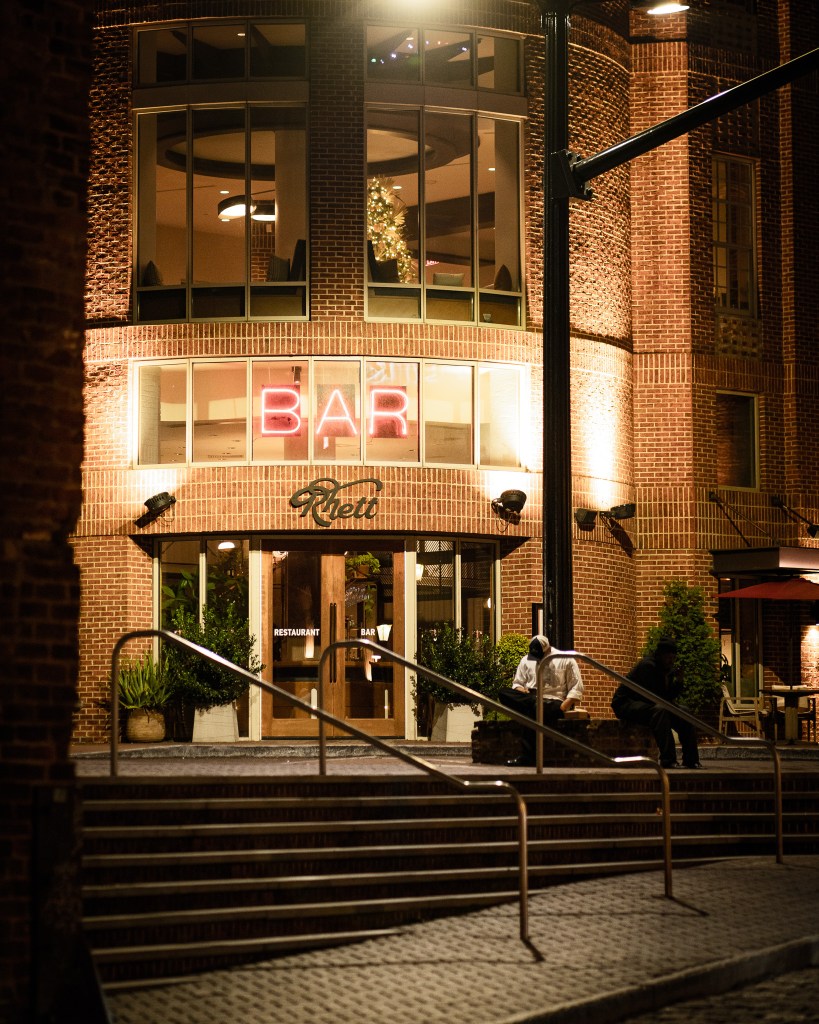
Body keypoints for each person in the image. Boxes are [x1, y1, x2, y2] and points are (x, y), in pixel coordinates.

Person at [611, 637, 702, 769]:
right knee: (660, 711)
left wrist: (679, 681)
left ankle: (691, 760)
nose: (671, 661)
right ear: (660, 655)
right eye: (668, 657)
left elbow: (668, 696)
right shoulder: (647, 666)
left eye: (673, 658)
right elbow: (655, 696)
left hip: (649, 703)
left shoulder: (667, 670)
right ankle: (668, 760)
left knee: (684, 713)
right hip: (626, 703)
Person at [499, 634, 583, 767]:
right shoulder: (526, 660)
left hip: (554, 701)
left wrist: (563, 707)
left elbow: (576, 688)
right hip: (532, 698)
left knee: (532, 710)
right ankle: (533, 703)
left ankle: (527, 757)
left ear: (547, 649)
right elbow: (517, 684)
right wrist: (524, 691)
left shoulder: (565, 659)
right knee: (504, 693)